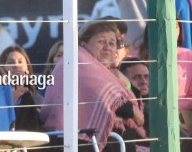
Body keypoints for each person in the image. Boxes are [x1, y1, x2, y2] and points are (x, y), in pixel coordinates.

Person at [41, 21, 146, 150]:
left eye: (112, 43)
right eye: (101, 41)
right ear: (83, 44)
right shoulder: (77, 61)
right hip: (78, 142)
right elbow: (109, 98)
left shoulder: (107, 72)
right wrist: (134, 112)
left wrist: (127, 84)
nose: (107, 47)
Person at [0, 45, 43, 131]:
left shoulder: (38, 99)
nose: (16, 66)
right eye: (10, 62)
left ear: (28, 68)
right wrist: (11, 101)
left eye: (20, 62)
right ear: (1, 68)